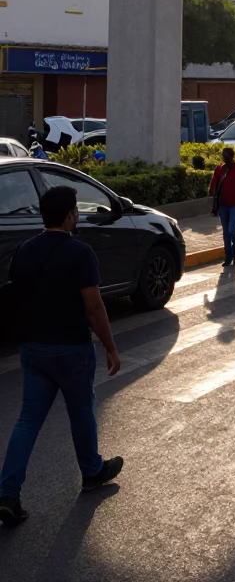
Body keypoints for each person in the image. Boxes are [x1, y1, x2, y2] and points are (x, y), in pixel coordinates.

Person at [0, 186, 123, 527]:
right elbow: (94, 307)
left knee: (27, 421)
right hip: (71, 349)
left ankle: (8, 493)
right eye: (76, 212)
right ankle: (92, 472)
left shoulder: (24, 250)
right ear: (70, 215)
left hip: (34, 349)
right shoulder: (80, 253)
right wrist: (111, 347)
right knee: (82, 412)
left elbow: (17, 297)